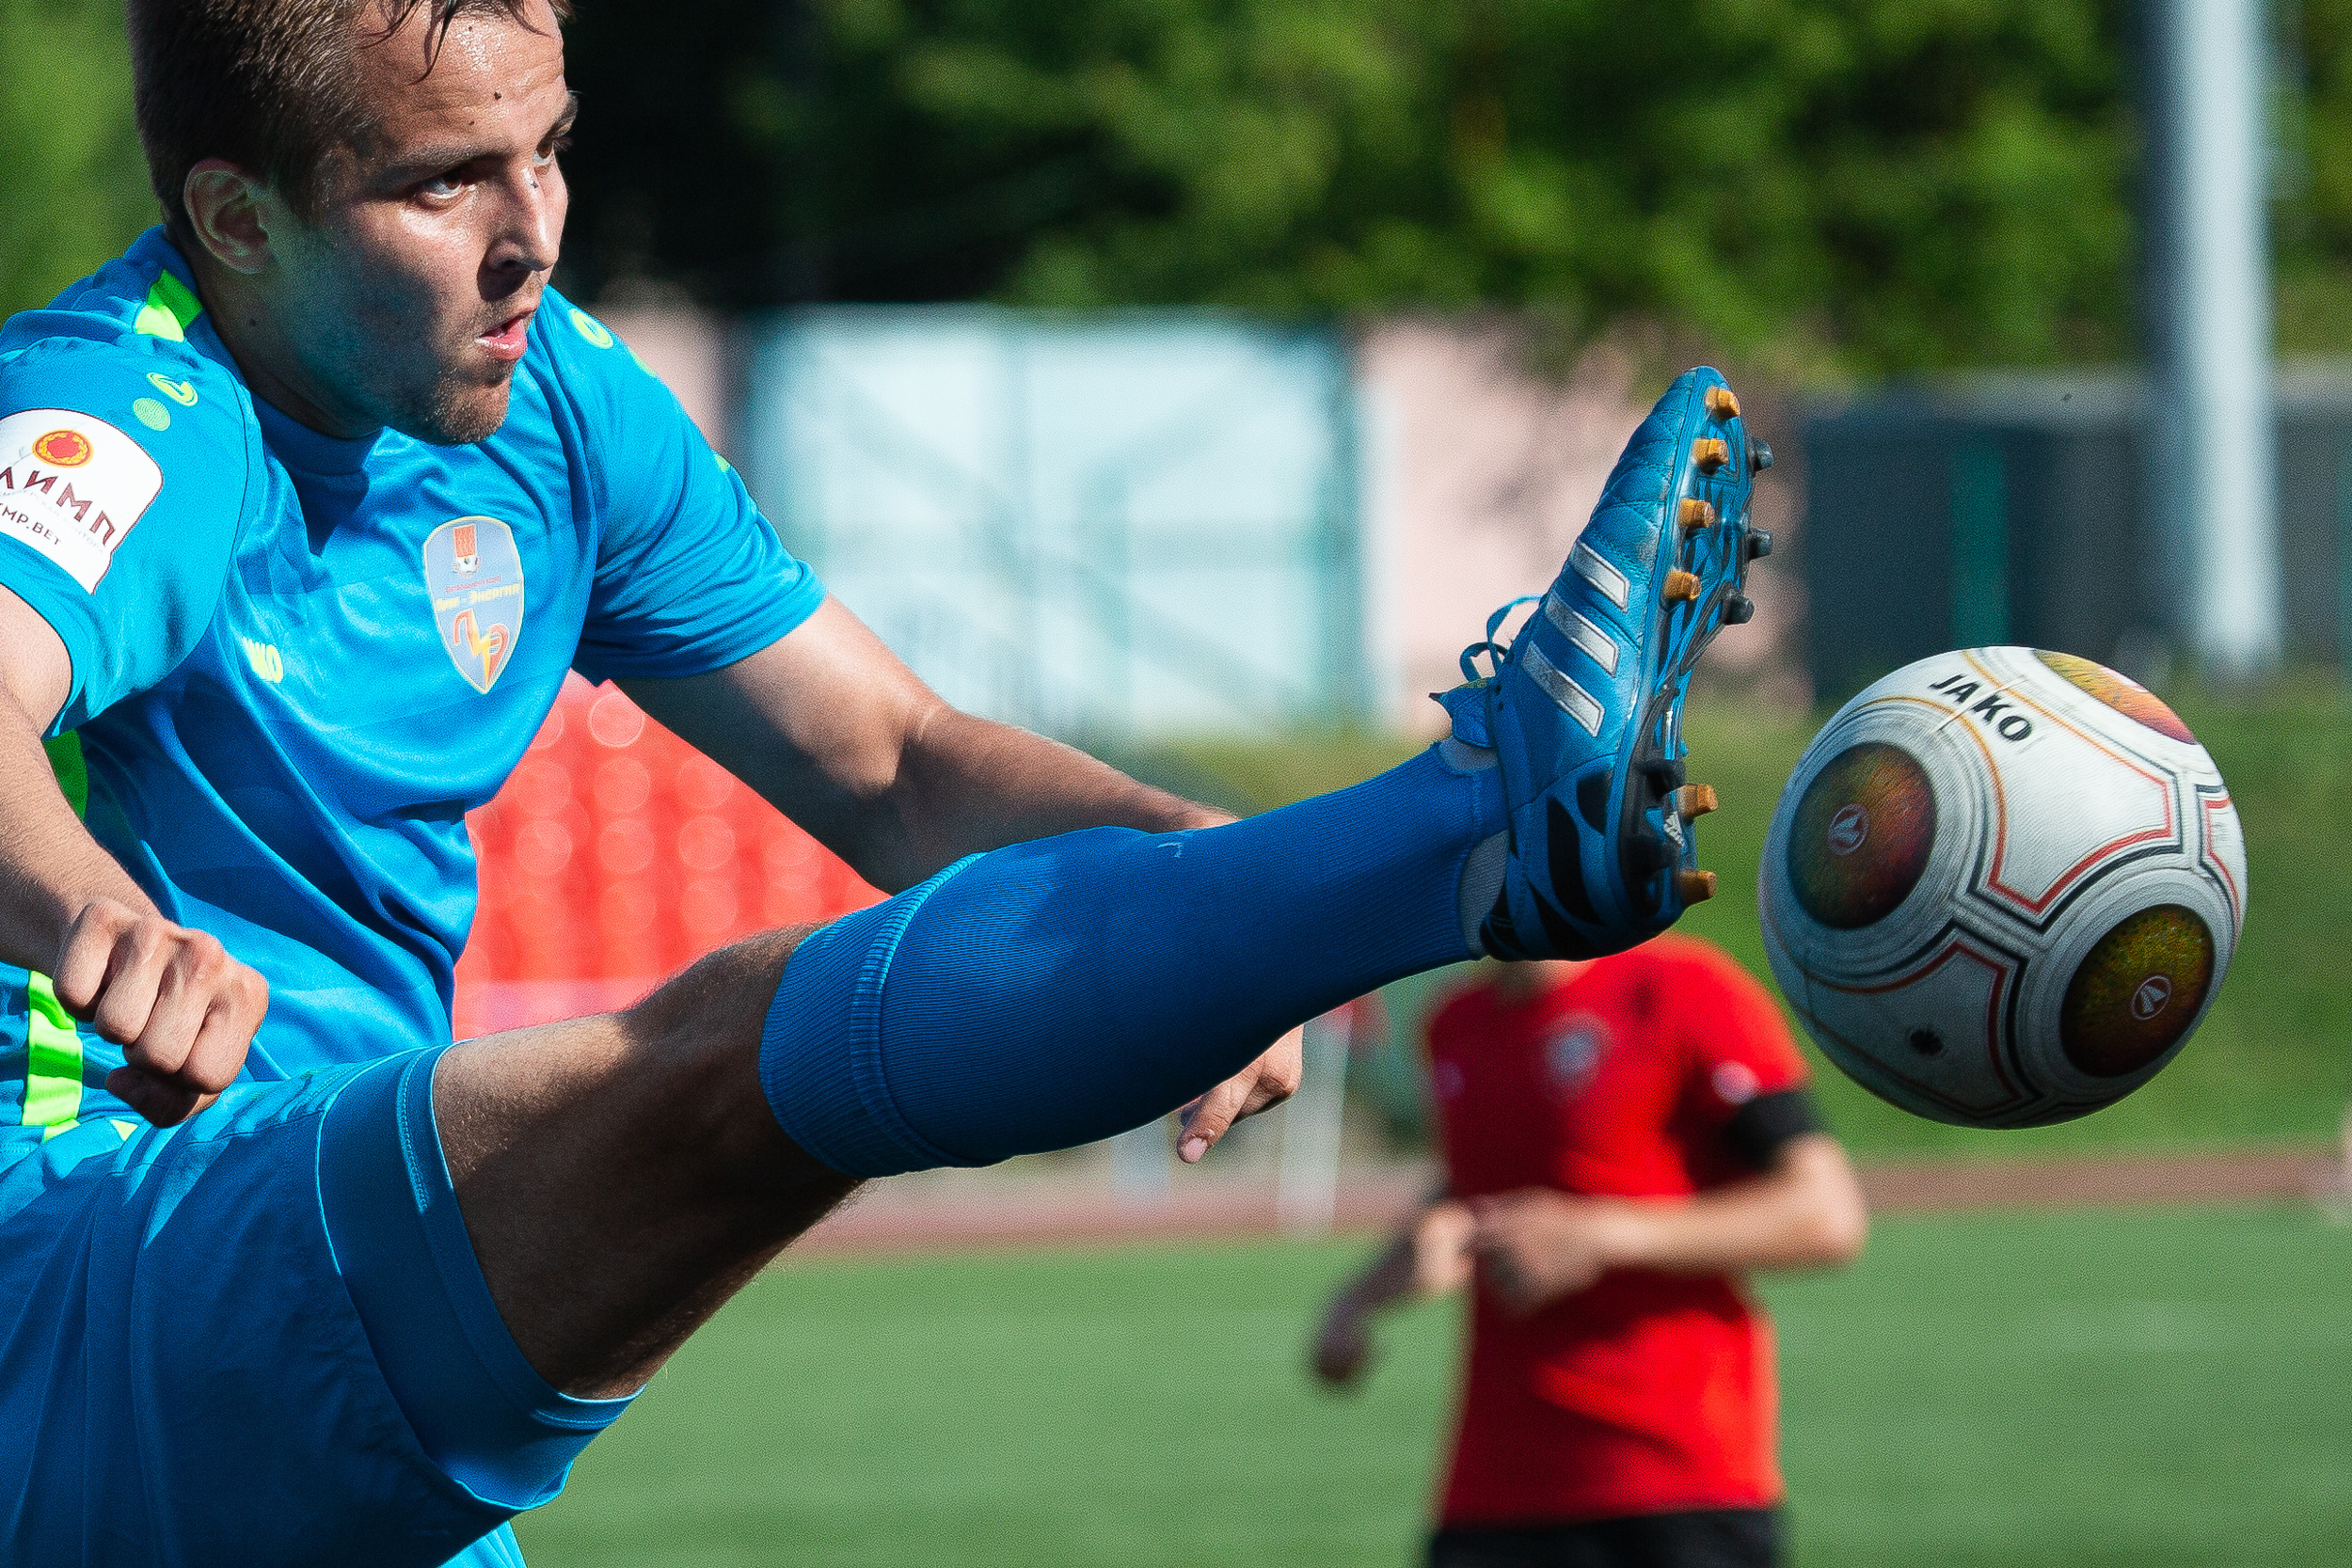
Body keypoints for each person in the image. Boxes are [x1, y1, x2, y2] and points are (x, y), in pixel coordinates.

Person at [0, 2, 1768, 1563]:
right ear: (234, 218)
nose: (531, 235)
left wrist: (1190, 870)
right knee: (737, 1074)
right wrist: (88, 906)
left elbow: (898, 761)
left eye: (549, 151)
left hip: (340, 1313)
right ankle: (1470, 825)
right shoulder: (126, 409)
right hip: (82, 1279)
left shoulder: (551, 410)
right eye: (441, 182)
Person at [1312, 940, 1868, 1568]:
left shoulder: (1678, 987)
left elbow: (1826, 1212)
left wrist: (1602, 1234)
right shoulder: (1455, 1022)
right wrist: (1358, 1298)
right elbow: (1465, 1189)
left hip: (1677, 1482)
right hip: (1493, 1491)